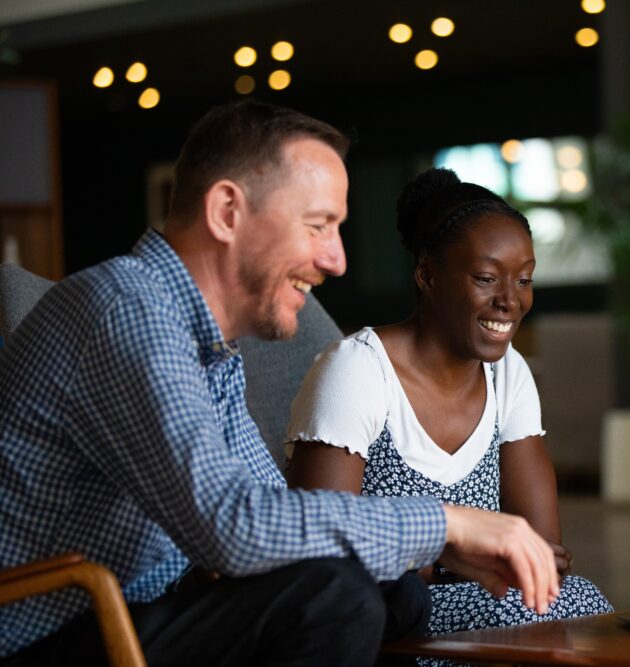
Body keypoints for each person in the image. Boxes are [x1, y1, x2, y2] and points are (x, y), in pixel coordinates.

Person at [0, 100, 560, 666]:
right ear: (226, 212)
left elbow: (274, 508)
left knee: (395, 594)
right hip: (51, 632)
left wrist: (433, 548)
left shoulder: (209, 344)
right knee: (334, 599)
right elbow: (236, 524)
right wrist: (448, 523)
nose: (336, 259)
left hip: (143, 606)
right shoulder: (128, 311)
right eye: (317, 226)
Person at [285, 167, 612, 637]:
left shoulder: (507, 373)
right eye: (486, 278)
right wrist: (448, 554)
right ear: (427, 276)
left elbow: (542, 553)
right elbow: (319, 551)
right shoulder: (357, 371)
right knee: (534, 616)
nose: (510, 301)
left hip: (496, 603)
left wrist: (494, 562)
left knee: (578, 600)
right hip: (384, 616)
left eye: (524, 280)